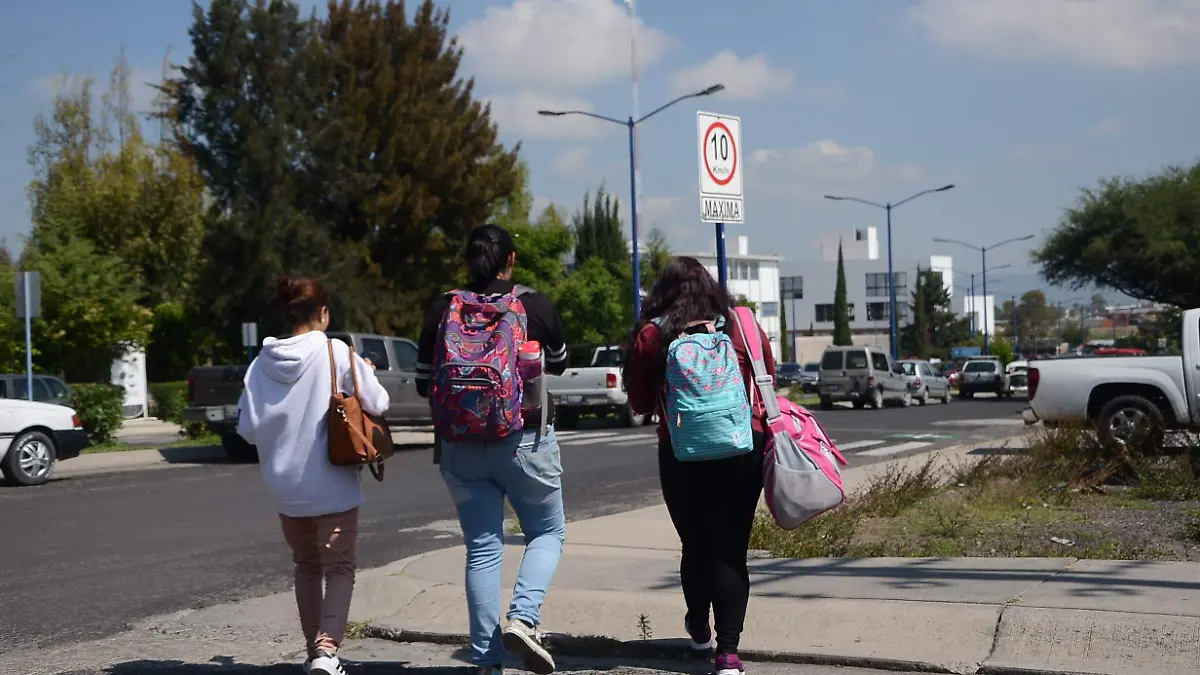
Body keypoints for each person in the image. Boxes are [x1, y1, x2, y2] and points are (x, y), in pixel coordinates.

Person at [415, 224, 569, 675]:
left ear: (467, 260)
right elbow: (558, 364)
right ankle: (523, 618)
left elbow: (425, 381)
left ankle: (486, 662)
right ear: (512, 259)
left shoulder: (444, 307)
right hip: (522, 441)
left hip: (459, 446)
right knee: (547, 532)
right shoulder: (533, 304)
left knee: (482, 548)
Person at [622, 256, 775, 675]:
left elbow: (637, 402)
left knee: (696, 541)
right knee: (731, 547)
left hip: (680, 450)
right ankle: (728, 654)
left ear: (662, 293)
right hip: (744, 443)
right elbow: (768, 380)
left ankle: (698, 625)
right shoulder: (742, 322)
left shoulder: (653, 334)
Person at [237, 276, 389, 675]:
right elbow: (379, 401)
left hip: (285, 488)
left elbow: (247, 429)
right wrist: (364, 372)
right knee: (339, 567)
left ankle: (313, 652)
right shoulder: (334, 351)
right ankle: (326, 652)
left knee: (306, 565)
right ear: (322, 313)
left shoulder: (259, 366)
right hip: (332, 484)